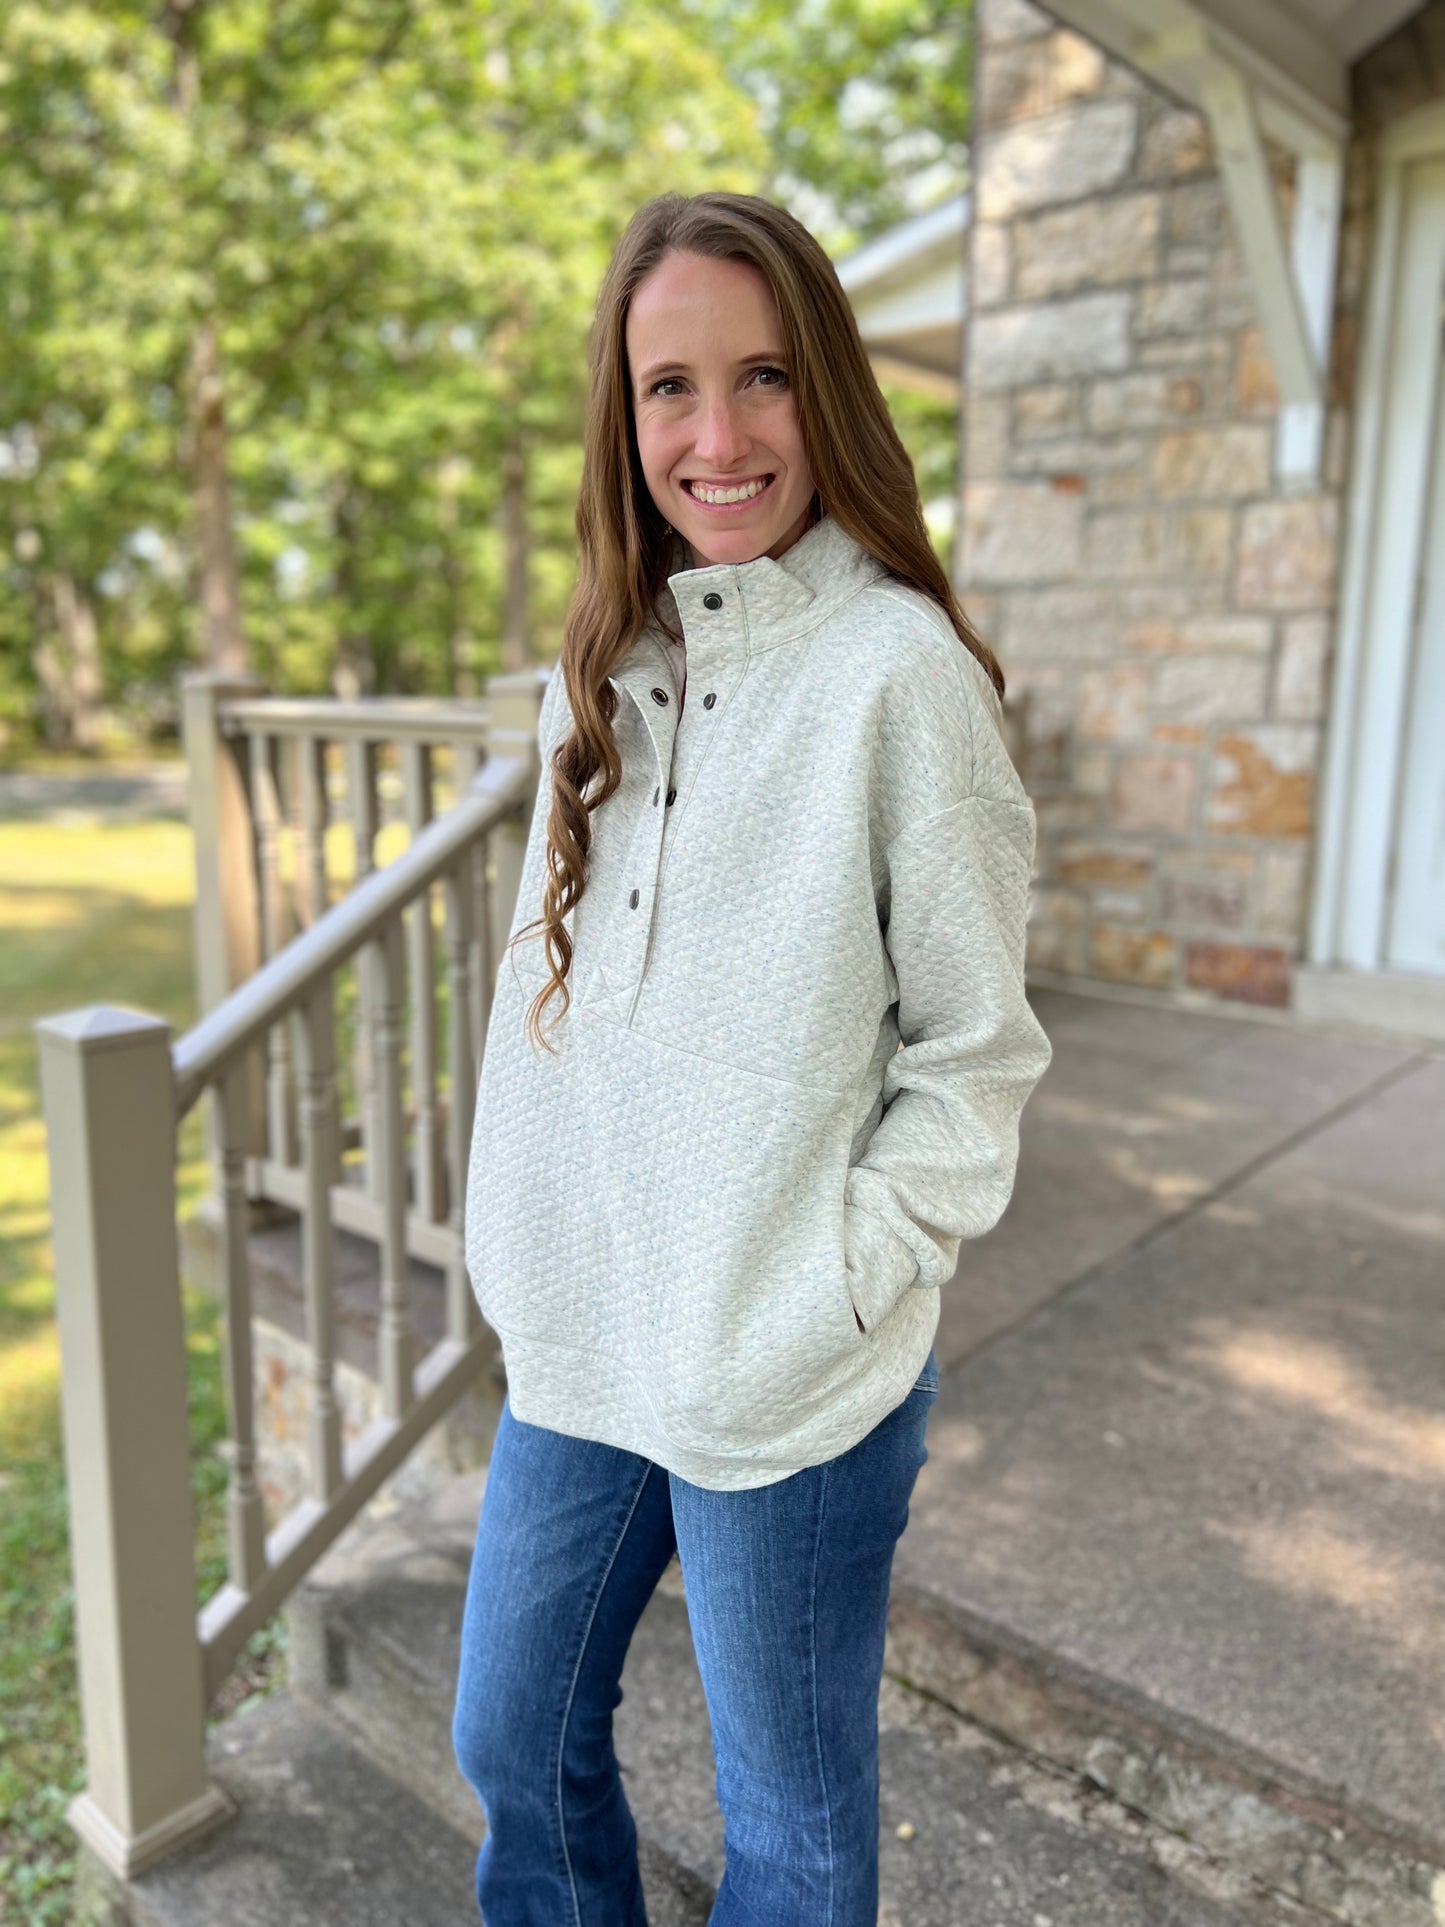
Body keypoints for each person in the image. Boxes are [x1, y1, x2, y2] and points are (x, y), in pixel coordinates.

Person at [451, 189, 1053, 1927]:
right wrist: (520, 1238)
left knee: (787, 1831)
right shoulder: (595, 670)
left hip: (789, 1367)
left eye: (763, 376)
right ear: (621, 415)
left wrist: (839, 1281)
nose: (716, 438)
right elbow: (543, 1005)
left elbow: (974, 1050)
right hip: (587, 1333)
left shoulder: (896, 675)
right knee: (510, 1740)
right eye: (670, 388)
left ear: (828, 390)